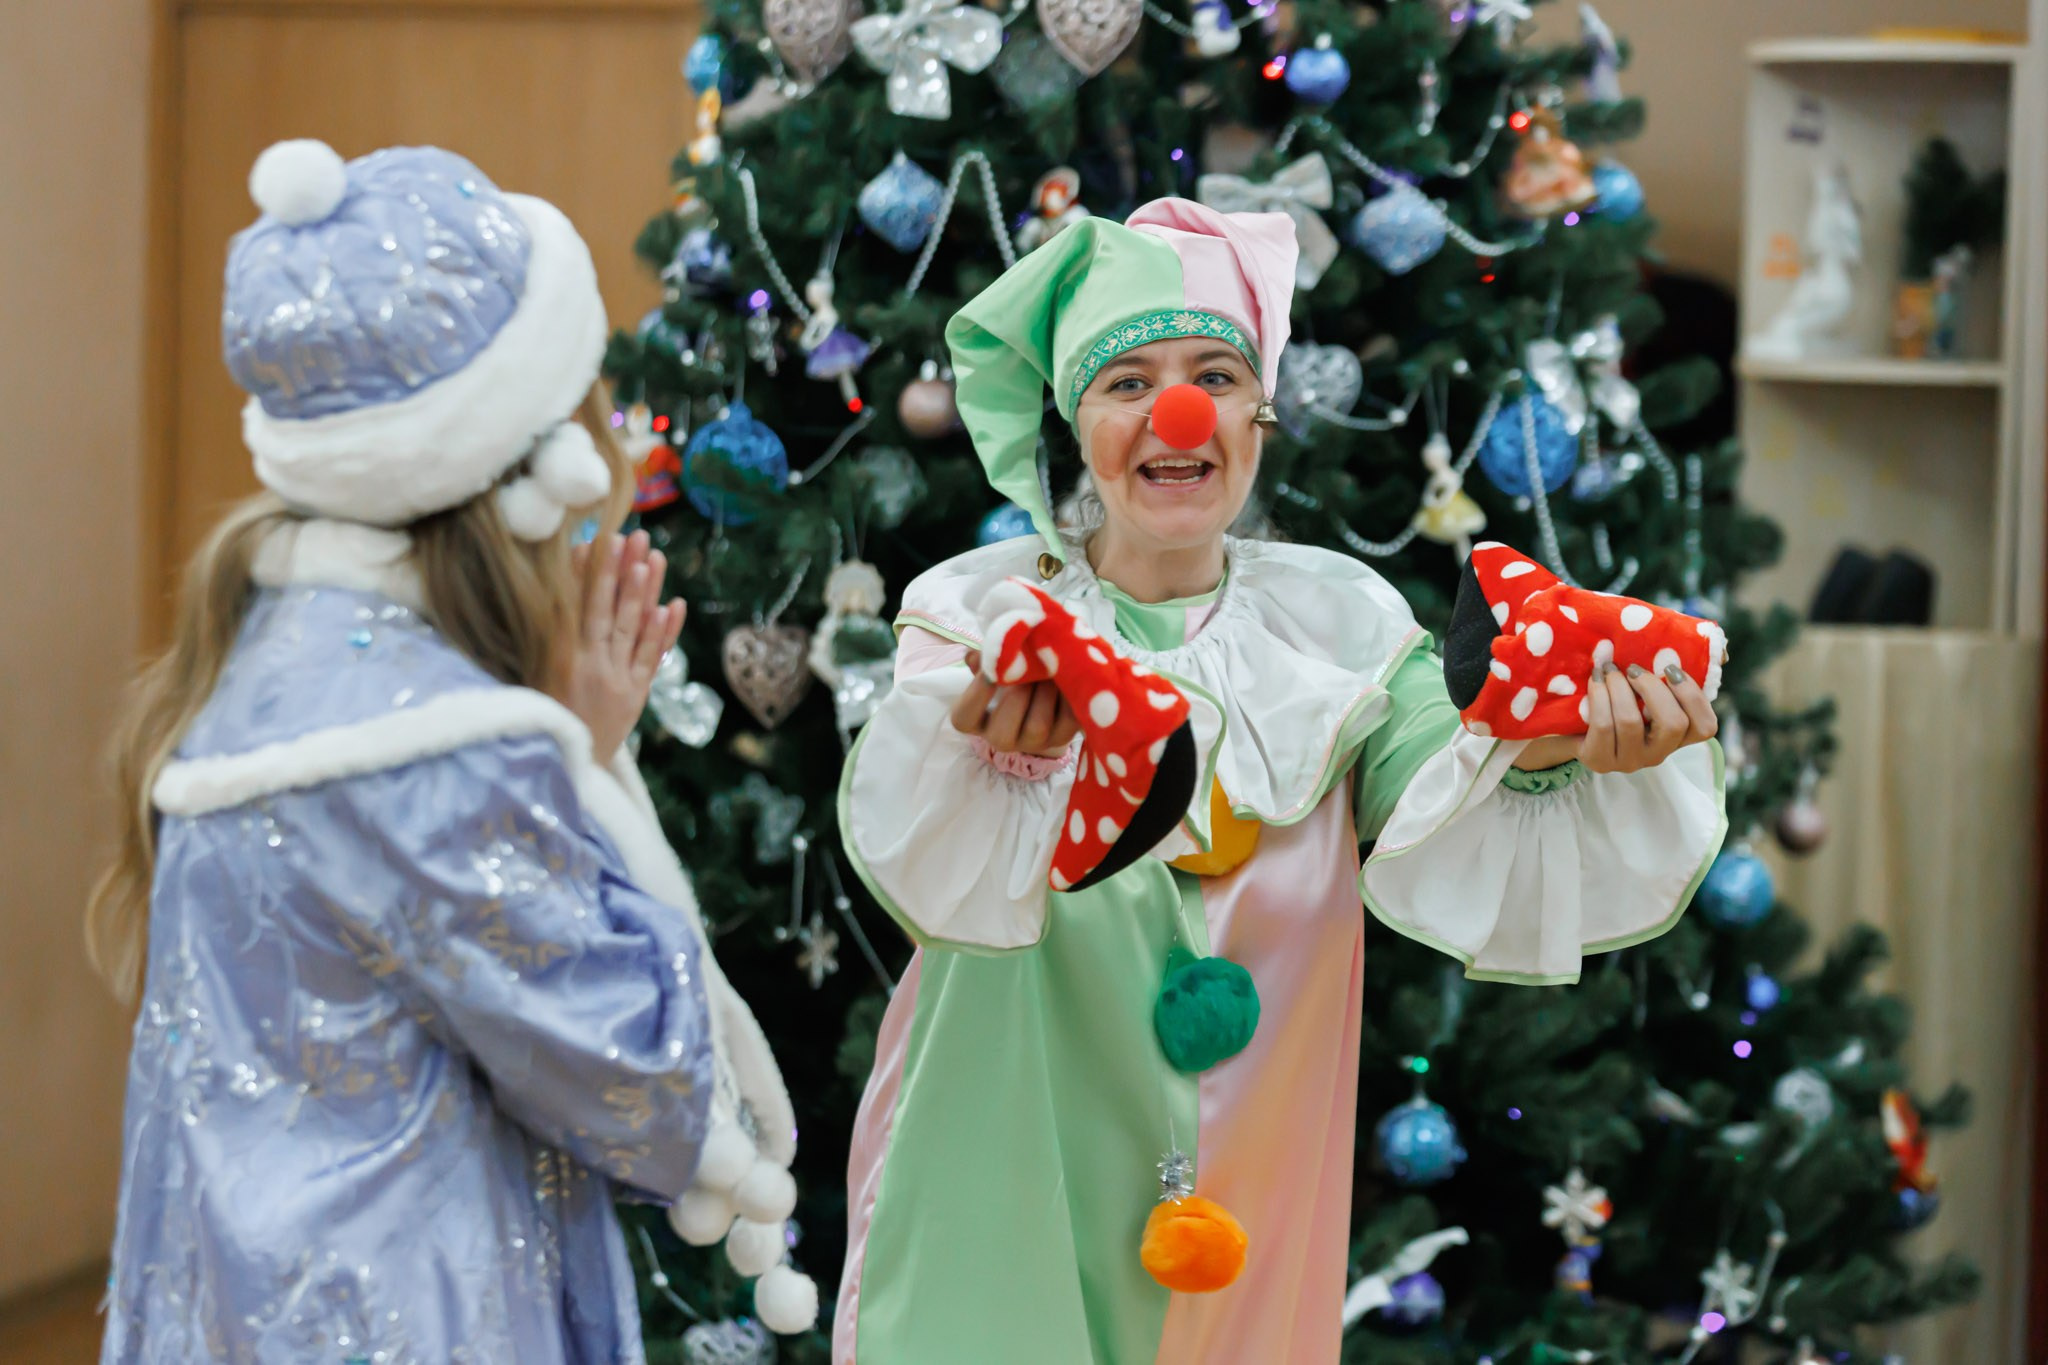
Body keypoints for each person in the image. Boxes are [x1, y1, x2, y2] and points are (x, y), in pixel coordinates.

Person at [832, 200, 1727, 1364]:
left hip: (1255, 1176)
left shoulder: (1339, 627)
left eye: (1212, 372)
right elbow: (919, 832)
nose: (1179, 412)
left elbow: (1441, 772)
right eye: (1127, 383)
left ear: (1258, 413)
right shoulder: (984, 621)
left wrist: (1558, 744)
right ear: (1074, 419)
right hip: (1001, 1155)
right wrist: (992, 749)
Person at [89, 139, 722, 1363]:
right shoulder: (443, 756)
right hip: (415, 1319)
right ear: (538, 470)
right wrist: (582, 777)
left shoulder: (248, 675)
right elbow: (644, 1088)